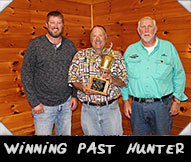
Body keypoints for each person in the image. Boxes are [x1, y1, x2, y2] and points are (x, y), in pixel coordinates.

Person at [121, 16, 188, 135]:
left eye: (150, 26)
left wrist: (177, 100)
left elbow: (179, 74)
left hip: (162, 106)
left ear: (155, 29)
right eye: (143, 27)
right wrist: (126, 101)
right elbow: (124, 78)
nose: (146, 30)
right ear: (138, 30)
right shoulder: (130, 50)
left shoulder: (168, 48)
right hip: (137, 107)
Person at [21, 11, 78, 135]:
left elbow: (75, 72)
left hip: (66, 104)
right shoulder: (35, 45)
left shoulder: (70, 46)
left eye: (59, 22)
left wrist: (74, 95)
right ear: (46, 24)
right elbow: (26, 74)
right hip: (43, 106)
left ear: (63, 25)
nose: (55, 26)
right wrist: (34, 102)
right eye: (52, 22)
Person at [68, 25, 128, 135]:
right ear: (90, 39)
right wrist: (82, 88)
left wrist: (112, 79)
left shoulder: (116, 56)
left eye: (100, 35)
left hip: (110, 109)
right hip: (88, 109)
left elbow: (124, 82)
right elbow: (72, 79)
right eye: (94, 36)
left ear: (105, 38)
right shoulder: (80, 56)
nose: (97, 39)